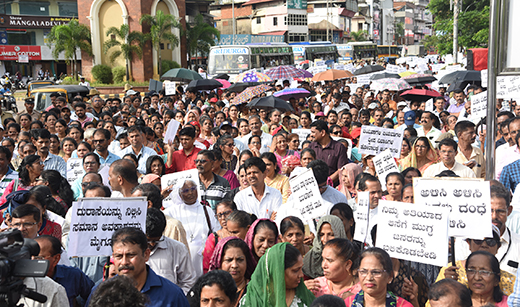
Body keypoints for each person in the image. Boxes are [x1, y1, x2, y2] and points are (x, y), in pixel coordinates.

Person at [86, 227, 189, 307]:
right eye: (119, 256)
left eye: (131, 255)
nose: (124, 262)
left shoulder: (172, 295)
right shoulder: (100, 293)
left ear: (146, 255)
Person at [456, 185, 520, 276]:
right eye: (489, 211)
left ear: (509, 211)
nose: (494, 216)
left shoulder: (518, 244)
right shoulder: (463, 242)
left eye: (500, 211)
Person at [437, 224, 515, 296]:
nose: (484, 245)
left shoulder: (510, 280)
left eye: (490, 242)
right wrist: (446, 285)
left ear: (498, 247)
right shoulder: (450, 270)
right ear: (469, 243)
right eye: (478, 240)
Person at [163, 179, 220, 278]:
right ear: (180, 194)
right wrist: (161, 197)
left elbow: (217, 234)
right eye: (185, 190)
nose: (190, 192)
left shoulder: (207, 210)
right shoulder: (172, 212)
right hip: (180, 260)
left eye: (193, 188)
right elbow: (156, 217)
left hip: (203, 260)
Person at [239, 242, 315, 307]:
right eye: (295, 271)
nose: (301, 275)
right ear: (278, 272)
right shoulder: (252, 300)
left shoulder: (304, 296)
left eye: (301, 269)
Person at [145, 208, 197, 294]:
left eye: (156, 241)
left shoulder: (178, 249)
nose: (152, 244)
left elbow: (189, 281)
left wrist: (175, 299)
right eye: (149, 241)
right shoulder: (131, 251)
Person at [34, 235, 94, 307]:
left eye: (39, 258)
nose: (32, 261)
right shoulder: (23, 277)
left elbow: (94, 296)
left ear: (56, 259)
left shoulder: (73, 275)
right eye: (30, 257)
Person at [345, 247, 414, 307]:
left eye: (376, 272)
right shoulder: (347, 304)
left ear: (390, 276)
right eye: (364, 272)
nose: (369, 278)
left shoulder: (403, 305)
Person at [208, 237, 255, 302]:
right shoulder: (207, 290)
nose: (234, 265)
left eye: (240, 260)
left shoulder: (255, 290)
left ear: (247, 262)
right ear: (219, 263)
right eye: (229, 260)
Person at [309, 120, 349, 185]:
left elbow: (341, 170)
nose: (311, 135)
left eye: (313, 132)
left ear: (322, 132)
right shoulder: (311, 146)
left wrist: (327, 182)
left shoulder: (339, 147)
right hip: (313, 186)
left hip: (333, 187)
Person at [202, 201, 238, 274]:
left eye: (226, 213)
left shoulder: (242, 233)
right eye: (219, 215)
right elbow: (207, 266)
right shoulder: (214, 238)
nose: (223, 218)